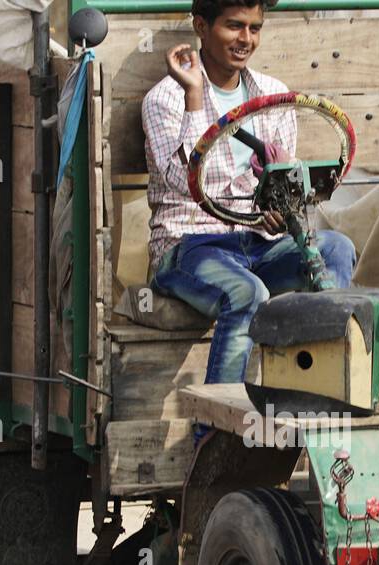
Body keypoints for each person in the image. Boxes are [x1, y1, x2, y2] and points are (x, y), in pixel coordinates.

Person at [141, 0, 357, 387]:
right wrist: (194, 97)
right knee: (248, 292)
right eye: (234, 26)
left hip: (257, 244)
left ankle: (322, 390)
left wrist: (276, 210)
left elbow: (281, 180)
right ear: (202, 27)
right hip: (189, 247)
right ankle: (218, 428)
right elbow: (182, 181)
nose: (246, 39)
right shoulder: (165, 99)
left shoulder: (272, 94)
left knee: (335, 249)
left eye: (254, 28)